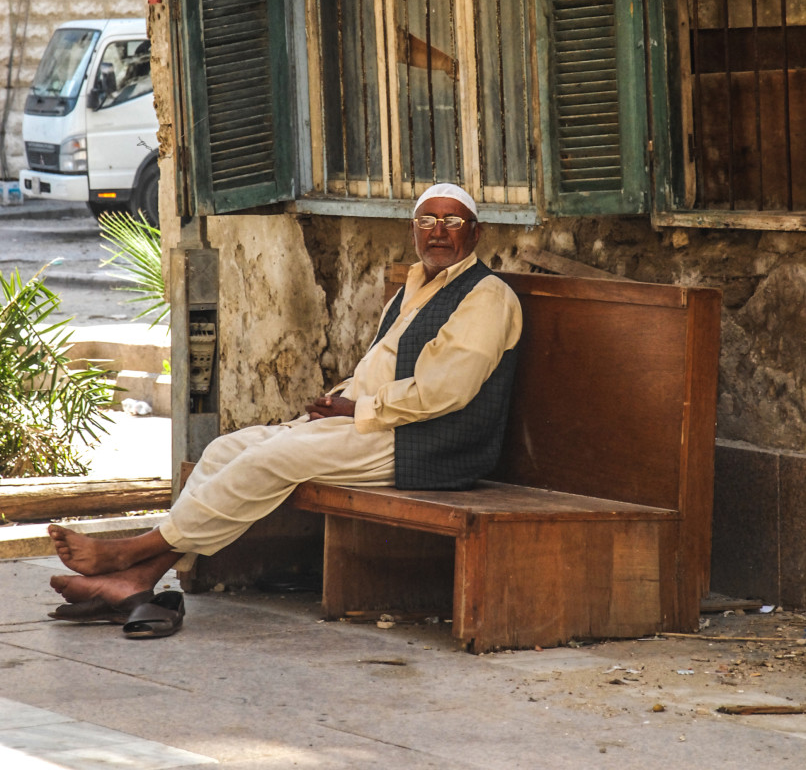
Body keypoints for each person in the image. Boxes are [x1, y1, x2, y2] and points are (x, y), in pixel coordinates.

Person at [47, 182, 522, 630]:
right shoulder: (414, 285)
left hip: (428, 442)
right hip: (372, 422)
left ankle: (131, 551)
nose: (438, 233)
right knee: (225, 451)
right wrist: (339, 402)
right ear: (413, 230)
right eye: (427, 222)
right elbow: (378, 366)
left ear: (476, 233)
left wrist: (355, 410)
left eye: (453, 223)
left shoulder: (487, 296)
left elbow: (445, 392)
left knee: (271, 459)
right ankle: (137, 580)